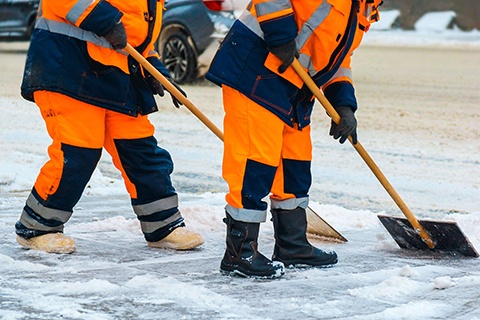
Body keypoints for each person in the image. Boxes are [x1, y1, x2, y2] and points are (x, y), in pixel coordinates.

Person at [206, 0, 383, 278]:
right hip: (258, 67)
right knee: (255, 161)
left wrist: (343, 103)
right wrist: (279, 32)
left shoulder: (363, 8)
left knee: (295, 164)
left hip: (295, 87)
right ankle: (239, 252)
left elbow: (337, 58)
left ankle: (292, 245)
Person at [15, 0, 204, 254]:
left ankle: (163, 225)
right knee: (78, 151)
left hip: (116, 76)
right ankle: (38, 227)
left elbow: (138, 37)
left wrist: (156, 70)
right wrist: (105, 20)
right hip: (69, 66)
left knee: (140, 149)